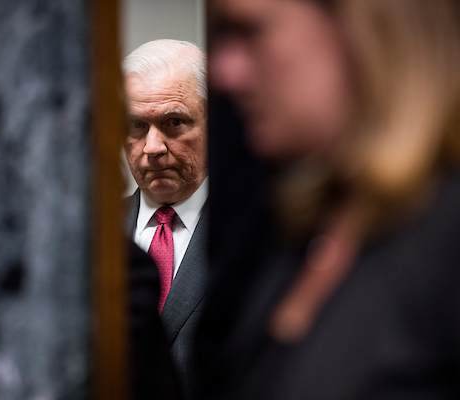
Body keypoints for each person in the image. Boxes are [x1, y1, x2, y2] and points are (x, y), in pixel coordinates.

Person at [196, 0, 460, 399]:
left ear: (368, 28)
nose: (224, 72)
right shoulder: (297, 231)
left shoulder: (445, 239)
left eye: (251, 31)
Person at [122, 39, 208, 399]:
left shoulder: (257, 237)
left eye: (174, 122)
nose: (153, 147)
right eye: (136, 126)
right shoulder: (91, 239)